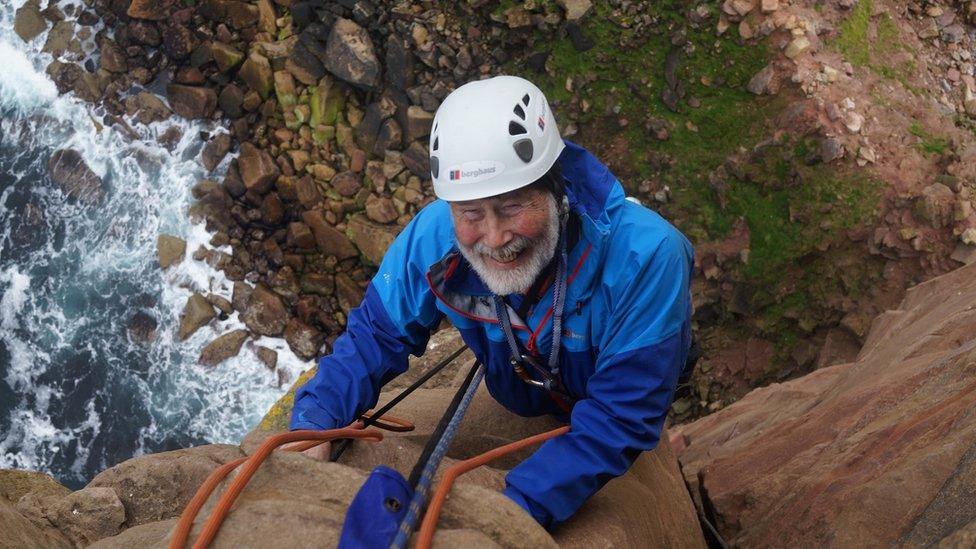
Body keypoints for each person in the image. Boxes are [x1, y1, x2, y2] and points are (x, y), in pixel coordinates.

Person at [289, 75, 695, 528]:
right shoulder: (435, 238)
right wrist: (316, 420)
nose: (495, 237)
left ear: (555, 187)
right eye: (471, 213)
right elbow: (376, 334)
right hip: (524, 391)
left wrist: (512, 512)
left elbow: (620, 415)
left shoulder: (647, 256)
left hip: (600, 386)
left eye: (512, 205)